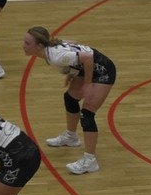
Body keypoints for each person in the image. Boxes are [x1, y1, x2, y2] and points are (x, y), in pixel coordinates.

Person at [22, 26, 117, 175]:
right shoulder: (51, 49)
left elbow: (88, 58)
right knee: (70, 98)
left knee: (87, 114)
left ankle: (90, 161)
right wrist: (72, 72)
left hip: (103, 71)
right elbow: (73, 44)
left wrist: (87, 84)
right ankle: (71, 137)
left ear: (39, 46)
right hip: (86, 68)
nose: (23, 46)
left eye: (27, 43)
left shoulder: (55, 56)